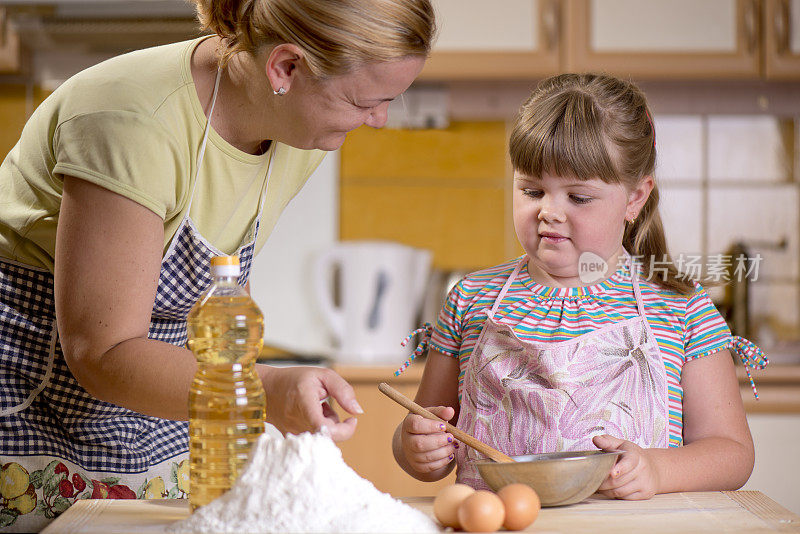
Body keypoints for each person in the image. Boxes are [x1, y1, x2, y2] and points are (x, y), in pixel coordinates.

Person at [0, 0, 435, 530]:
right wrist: (265, 390)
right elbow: (102, 351)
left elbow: (220, 290)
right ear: (286, 68)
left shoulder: (297, 128)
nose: (380, 120)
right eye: (363, 101)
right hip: (32, 401)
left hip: (156, 406)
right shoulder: (134, 119)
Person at [392, 73, 767, 500]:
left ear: (635, 198)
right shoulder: (470, 299)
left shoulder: (682, 308)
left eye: (578, 197)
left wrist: (658, 470)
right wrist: (414, 446)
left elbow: (733, 453)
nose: (549, 212)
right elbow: (425, 431)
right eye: (532, 190)